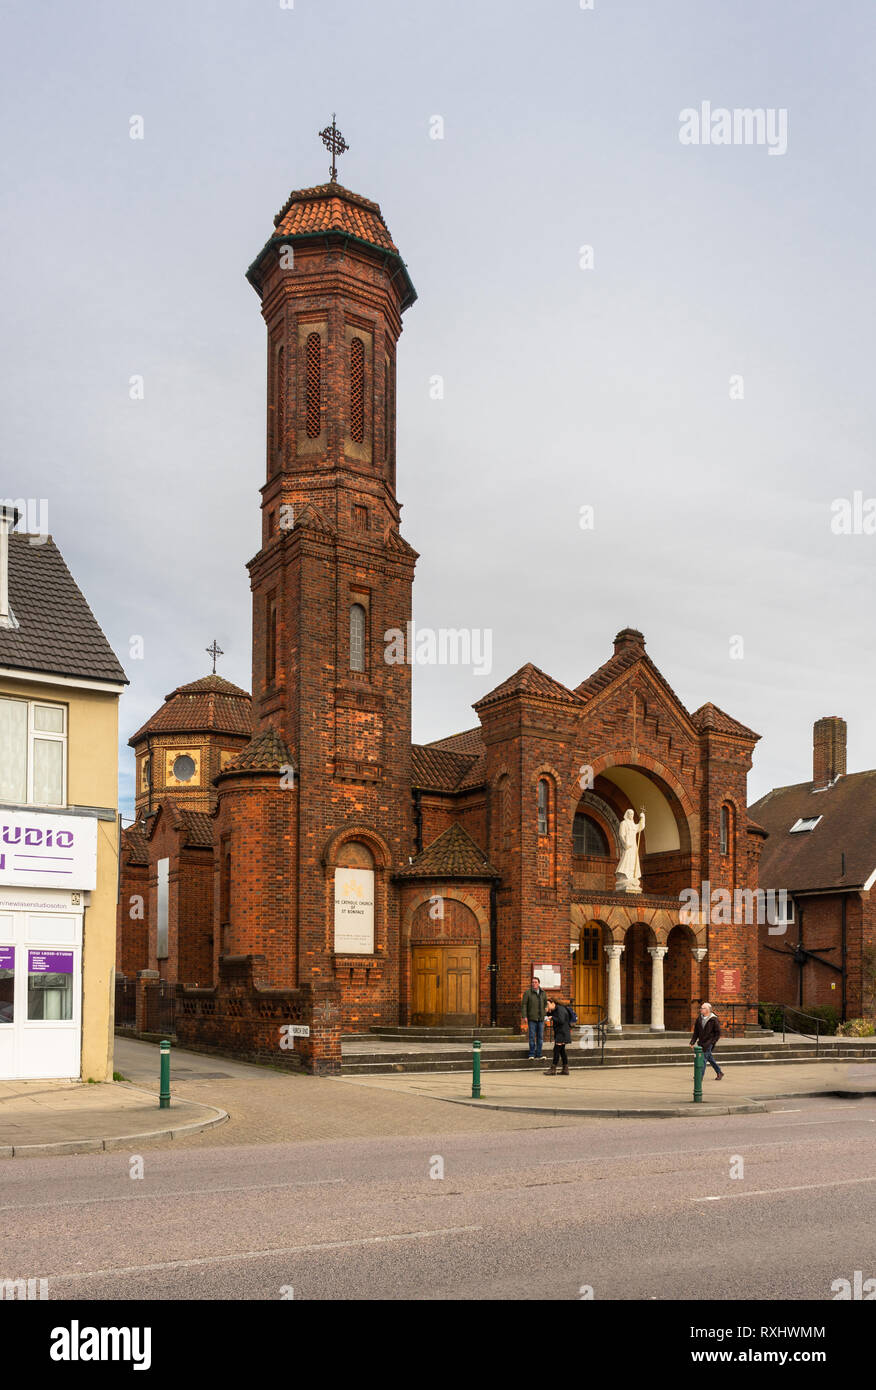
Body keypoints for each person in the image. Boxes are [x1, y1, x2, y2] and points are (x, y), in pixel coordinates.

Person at [690, 1001, 724, 1080]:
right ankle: (719, 1072)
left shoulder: (714, 1019)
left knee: (703, 1059)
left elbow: (718, 1033)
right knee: (710, 1058)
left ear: (708, 1010)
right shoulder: (699, 1019)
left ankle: (699, 1076)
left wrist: (712, 1042)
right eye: (701, 1008)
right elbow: (696, 1032)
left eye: (703, 1008)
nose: (700, 1009)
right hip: (701, 1042)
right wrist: (692, 1042)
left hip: (709, 1043)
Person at [544, 996, 572, 1075]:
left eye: (548, 1004)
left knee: (556, 1050)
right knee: (562, 1051)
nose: (547, 1006)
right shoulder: (555, 1009)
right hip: (561, 1032)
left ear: (553, 1003)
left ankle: (553, 1069)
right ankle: (565, 1069)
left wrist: (552, 1017)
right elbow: (552, 1016)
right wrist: (548, 1012)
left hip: (562, 1032)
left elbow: (561, 1020)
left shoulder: (560, 1009)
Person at [521, 976, 547, 1059]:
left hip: (541, 1018)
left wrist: (545, 1011)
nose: (534, 984)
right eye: (532, 982)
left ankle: (539, 1054)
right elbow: (524, 1005)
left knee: (540, 1037)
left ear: (539, 983)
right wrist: (524, 1016)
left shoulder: (543, 993)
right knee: (532, 1037)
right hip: (532, 1018)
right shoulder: (528, 993)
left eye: (535, 982)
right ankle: (531, 1054)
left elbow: (545, 1003)